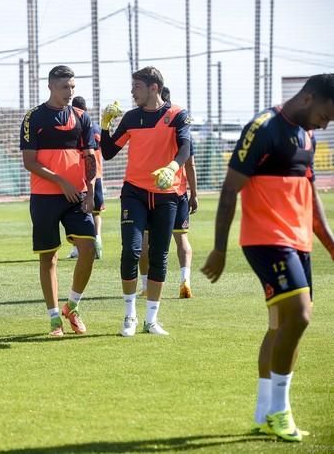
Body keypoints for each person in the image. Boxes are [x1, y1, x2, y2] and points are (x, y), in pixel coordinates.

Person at [201, 73, 334, 442]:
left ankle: (263, 414)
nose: (327, 124)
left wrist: (330, 243)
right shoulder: (263, 127)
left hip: (298, 241)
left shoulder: (307, 134)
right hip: (266, 240)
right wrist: (219, 248)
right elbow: (229, 190)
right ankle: (280, 411)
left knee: (280, 326)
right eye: (327, 114)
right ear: (308, 98)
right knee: (301, 315)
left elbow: (310, 194)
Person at [100, 66, 192, 337]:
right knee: (131, 250)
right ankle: (129, 316)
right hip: (135, 192)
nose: (132, 92)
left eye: (137, 87)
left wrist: (173, 168)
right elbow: (107, 152)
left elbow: (186, 147)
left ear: (154, 88)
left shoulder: (177, 114)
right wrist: (106, 126)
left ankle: (151, 320)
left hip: (167, 195)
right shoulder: (130, 118)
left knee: (159, 256)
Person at [20, 65, 97, 337]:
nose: (70, 92)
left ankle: (72, 306)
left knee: (89, 248)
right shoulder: (33, 118)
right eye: (65, 87)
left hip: (76, 196)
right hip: (44, 197)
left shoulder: (81, 117)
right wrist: (61, 181)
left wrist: (90, 190)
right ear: (51, 86)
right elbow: (30, 161)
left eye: (73, 87)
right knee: (48, 258)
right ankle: (54, 319)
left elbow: (90, 158)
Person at [139, 86, 198, 298]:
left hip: (150, 192)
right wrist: (194, 193)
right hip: (178, 191)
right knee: (181, 240)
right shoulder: (182, 128)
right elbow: (190, 164)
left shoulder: (150, 127)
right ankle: (185, 280)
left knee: (145, 242)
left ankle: (146, 286)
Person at [68, 96, 104, 260]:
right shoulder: (94, 126)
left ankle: (82, 247)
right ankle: (97, 241)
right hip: (95, 175)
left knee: (79, 211)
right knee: (95, 212)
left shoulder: (76, 125)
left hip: (83, 175)